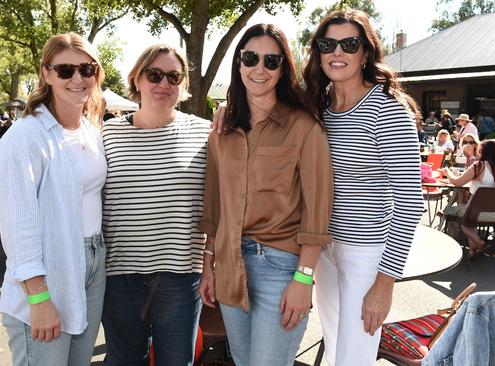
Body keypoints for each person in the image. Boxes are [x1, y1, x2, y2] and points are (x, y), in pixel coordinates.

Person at [198, 24, 333, 366]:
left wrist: (304, 279)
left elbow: (318, 212)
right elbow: (214, 204)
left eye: (271, 61)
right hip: (229, 263)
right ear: (239, 64)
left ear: (283, 68)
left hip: (281, 268)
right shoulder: (222, 129)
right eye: (250, 58)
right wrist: (208, 265)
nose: (259, 68)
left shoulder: (305, 127)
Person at [301, 10, 424, 366]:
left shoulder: (386, 109)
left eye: (349, 44)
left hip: (365, 254)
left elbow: (410, 202)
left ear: (366, 52)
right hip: (325, 249)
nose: (337, 52)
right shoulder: (320, 105)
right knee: (336, 341)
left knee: (355, 356)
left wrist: (385, 283)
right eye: (328, 44)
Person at [0, 32, 107, 366]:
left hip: (93, 264)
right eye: (65, 70)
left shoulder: (90, 129)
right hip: (49, 272)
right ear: (46, 73)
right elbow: (18, 224)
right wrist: (39, 296)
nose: (77, 78)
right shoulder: (25, 137)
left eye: (87, 69)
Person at [100, 44, 210, 366]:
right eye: (154, 74)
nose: (164, 83)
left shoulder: (205, 133)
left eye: (174, 76)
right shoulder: (107, 134)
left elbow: (220, 202)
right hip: (120, 275)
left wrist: (210, 262)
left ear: (183, 85)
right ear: (137, 79)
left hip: (179, 275)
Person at [441, 140, 495, 257]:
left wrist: (448, 172)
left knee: (453, 213)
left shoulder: (479, 166)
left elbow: (458, 182)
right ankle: (472, 248)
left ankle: (478, 241)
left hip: (475, 213)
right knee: (468, 216)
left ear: (482, 151)